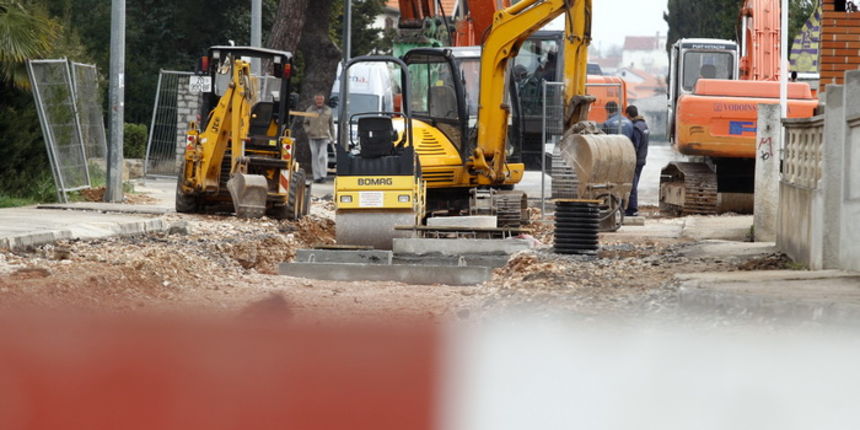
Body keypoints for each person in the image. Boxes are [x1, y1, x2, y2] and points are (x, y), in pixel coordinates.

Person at [303, 94, 335, 183]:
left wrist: (333, 137)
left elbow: (331, 124)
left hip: (324, 136)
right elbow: (305, 123)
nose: (319, 101)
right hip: (312, 136)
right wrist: (308, 131)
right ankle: (317, 177)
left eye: (321, 99)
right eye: (317, 99)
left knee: (322, 156)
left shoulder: (328, 110)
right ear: (315, 100)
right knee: (314, 156)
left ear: (323, 100)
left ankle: (323, 175)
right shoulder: (310, 110)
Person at [624, 105, 649, 217]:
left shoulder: (636, 127)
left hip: (636, 160)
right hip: (642, 159)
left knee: (632, 185)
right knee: (635, 183)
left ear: (628, 114)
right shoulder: (644, 125)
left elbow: (635, 146)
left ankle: (632, 209)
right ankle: (631, 208)